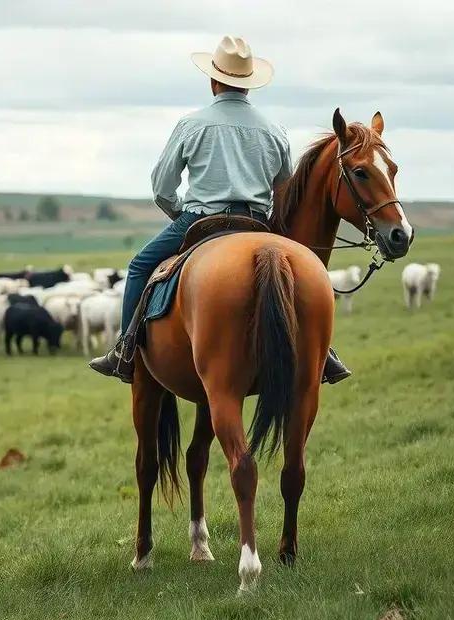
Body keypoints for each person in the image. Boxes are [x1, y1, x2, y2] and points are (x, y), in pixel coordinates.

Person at [88, 35, 351, 384]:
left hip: (200, 219)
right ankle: (323, 352)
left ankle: (124, 351)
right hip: (257, 223)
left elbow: (162, 188)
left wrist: (181, 213)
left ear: (213, 81)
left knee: (138, 267)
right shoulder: (275, 130)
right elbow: (284, 189)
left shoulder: (192, 124)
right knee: (299, 277)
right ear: (249, 85)